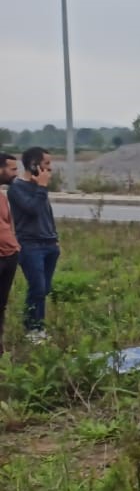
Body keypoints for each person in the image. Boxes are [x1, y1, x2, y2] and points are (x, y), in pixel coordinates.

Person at [8, 147, 60, 342]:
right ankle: (32, 329)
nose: (50, 169)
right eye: (46, 164)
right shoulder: (17, 188)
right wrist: (42, 188)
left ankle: (39, 327)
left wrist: (55, 238)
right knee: (37, 287)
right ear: (33, 165)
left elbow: (46, 215)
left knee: (44, 289)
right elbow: (32, 210)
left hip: (49, 244)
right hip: (31, 246)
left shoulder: (40, 188)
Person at [0, 153, 19, 356]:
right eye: (12, 169)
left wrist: (14, 245)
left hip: (9, 256)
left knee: (1, 306)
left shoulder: (3, 196)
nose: (16, 173)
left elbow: (7, 224)